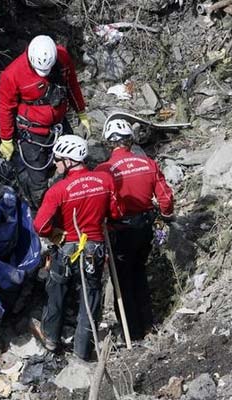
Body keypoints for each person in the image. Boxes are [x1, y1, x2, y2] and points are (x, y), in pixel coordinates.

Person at [30, 135, 122, 361]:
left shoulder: (58, 190)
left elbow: (40, 226)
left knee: (57, 292)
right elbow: (116, 213)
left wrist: (54, 233)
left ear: (69, 161)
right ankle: (83, 350)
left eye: (58, 159)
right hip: (94, 248)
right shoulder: (104, 181)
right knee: (90, 296)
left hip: (66, 248)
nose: (55, 164)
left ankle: (51, 339)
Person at [95, 119, 174, 341]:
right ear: (130, 140)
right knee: (139, 272)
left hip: (119, 231)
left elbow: (99, 205)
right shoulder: (147, 163)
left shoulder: (103, 170)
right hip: (144, 227)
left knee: (123, 280)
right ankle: (148, 323)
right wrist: (167, 216)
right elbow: (165, 198)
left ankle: (133, 332)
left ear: (109, 143)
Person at [0, 34, 91, 210]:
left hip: (59, 125)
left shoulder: (61, 57)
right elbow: (5, 108)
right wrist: (6, 139)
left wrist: (81, 113)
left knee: (74, 165)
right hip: (32, 133)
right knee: (38, 179)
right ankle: (42, 214)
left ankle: (75, 203)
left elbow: (72, 85)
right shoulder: (12, 75)